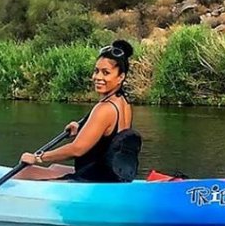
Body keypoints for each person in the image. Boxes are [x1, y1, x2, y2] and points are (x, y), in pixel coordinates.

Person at [18, 40, 141, 182]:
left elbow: (77, 149)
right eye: (96, 71)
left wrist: (38, 157)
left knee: (24, 172)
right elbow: (108, 140)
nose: (97, 77)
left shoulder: (105, 108)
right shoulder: (123, 102)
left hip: (93, 179)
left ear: (121, 77)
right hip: (108, 174)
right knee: (55, 167)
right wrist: (81, 128)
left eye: (106, 73)